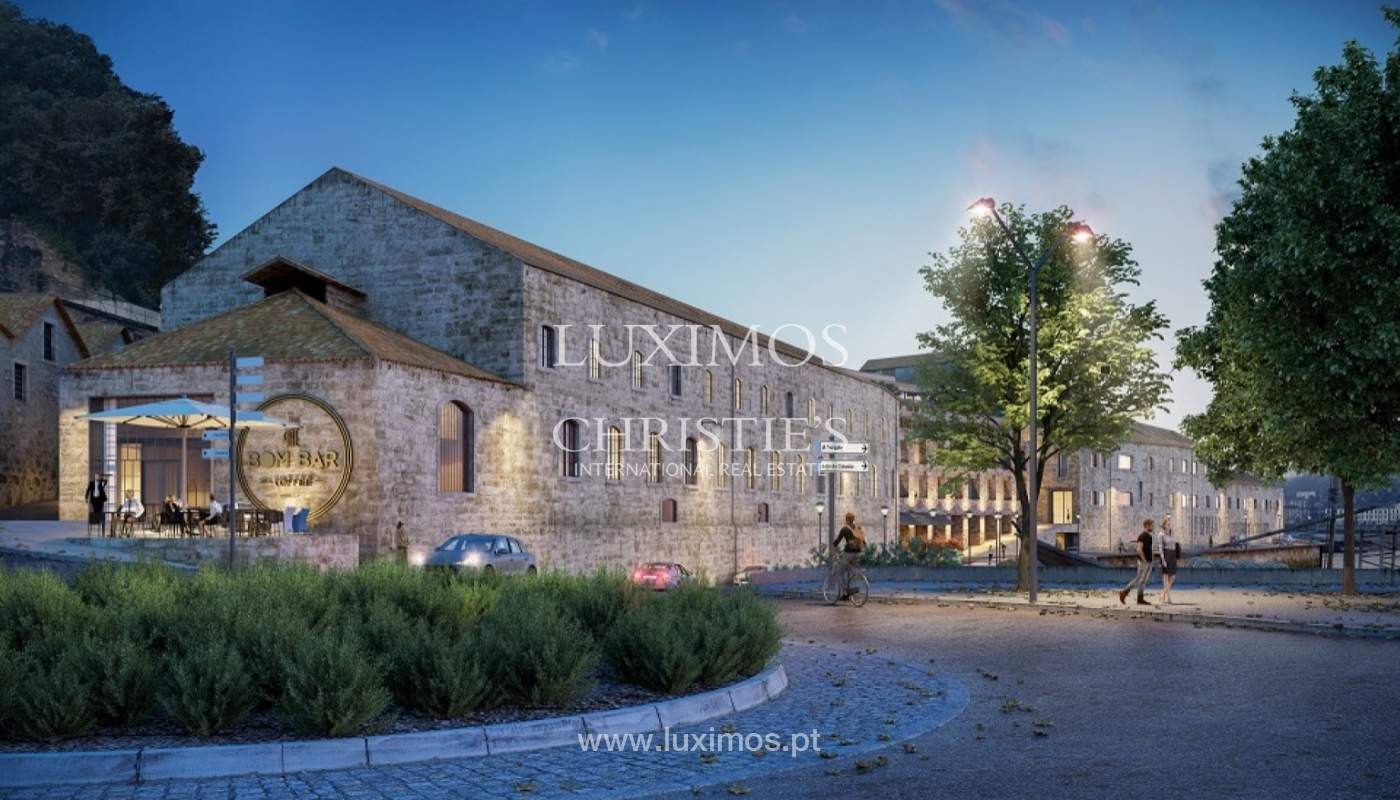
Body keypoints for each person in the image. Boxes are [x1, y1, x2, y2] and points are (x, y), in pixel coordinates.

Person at [1118, 518, 1155, 606]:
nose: (1153, 527)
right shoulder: (1142, 536)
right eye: (1152, 525)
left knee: (1143, 581)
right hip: (1143, 562)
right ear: (1147, 526)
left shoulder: (1149, 536)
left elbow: (1149, 549)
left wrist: (1151, 559)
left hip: (1149, 562)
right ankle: (1124, 592)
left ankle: (1140, 599)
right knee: (1138, 579)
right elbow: (1139, 549)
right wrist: (1145, 561)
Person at [830, 512, 866, 601]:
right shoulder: (858, 528)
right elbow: (864, 541)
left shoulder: (844, 529)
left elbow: (836, 542)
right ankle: (850, 588)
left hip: (848, 554)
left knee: (839, 572)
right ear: (854, 520)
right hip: (858, 553)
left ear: (846, 520)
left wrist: (832, 550)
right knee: (850, 570)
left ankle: (846, 591)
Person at [1159, 515, 1180, 604]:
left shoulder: (1172, 533)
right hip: (1166, 554)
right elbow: (1160, 547)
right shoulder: (1161, 534)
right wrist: (1163, 559)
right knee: (1166, 576)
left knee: (1173, 576)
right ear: (1164, 525)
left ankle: (1162, 594)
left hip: (1173, 554)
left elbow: (1175, 543)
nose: (1169, 525)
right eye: (1167, 524)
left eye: (1170, 524)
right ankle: (1169, 598)